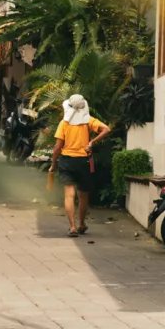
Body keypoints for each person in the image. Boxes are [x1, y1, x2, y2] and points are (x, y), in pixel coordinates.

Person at [48, 95, 110, 238]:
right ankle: (81, 224)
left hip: (67, 161)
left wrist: (53, 165)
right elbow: (106, 129)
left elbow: (57, 146)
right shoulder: (88, 121)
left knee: (69, 195)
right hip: (83, 162)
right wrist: (92, 142)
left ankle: (72, 227)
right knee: (83, 196)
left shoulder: (64, 123)